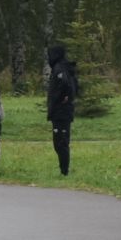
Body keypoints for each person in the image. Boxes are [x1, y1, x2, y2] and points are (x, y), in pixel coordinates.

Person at [44, 45, 78, 175]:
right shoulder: (63, 68)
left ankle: (64, 171)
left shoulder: (60, 69)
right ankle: (63, 169)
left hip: (61, 112)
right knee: (59, 142)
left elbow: (67, 86)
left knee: (61, 142)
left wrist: (63, 98)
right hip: (60, 111)